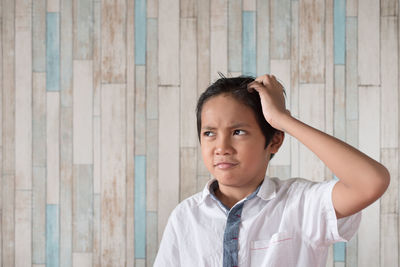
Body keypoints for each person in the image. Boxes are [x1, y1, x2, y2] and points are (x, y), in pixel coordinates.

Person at [153, 74, 390, 266]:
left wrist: (282, 118)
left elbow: (371, 181)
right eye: (209, 133)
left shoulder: (301, 204)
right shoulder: (185, 216)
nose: (221, 147)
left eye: (238, 132)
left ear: (274, 141)